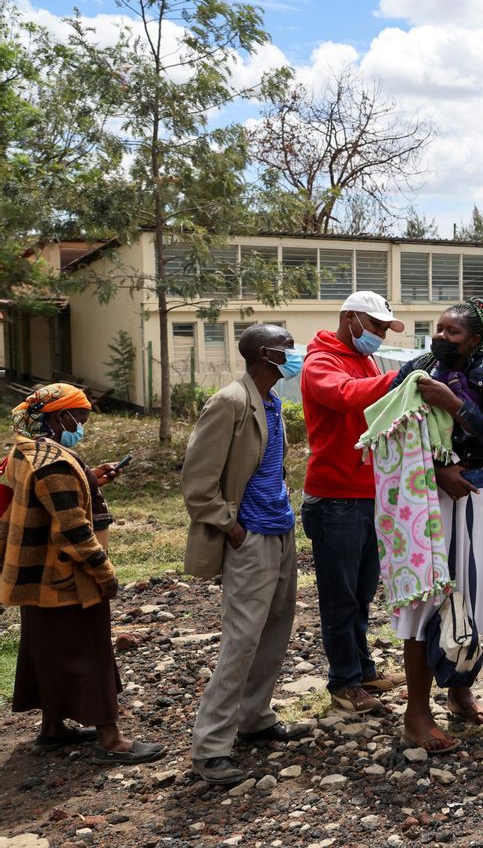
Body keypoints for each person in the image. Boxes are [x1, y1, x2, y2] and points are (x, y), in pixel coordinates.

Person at [387, 298, 483, 750]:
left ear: (475, 339)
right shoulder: (415, 369)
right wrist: (436, 471)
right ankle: (417, 715)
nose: (440, 337)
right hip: (427, 497)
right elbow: (391, 433)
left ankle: (459, 691)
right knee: (427, 599)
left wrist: (455, 404)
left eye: (452, 332)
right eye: (438, 329)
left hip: (481, 492)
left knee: (469, 593)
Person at [3, 384, 165, 765]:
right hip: (64, 577)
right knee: (90, 652)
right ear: (61, 417)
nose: (83, 427)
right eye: (82, 419)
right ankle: (112, 740)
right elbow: (72, 528)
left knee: (44, 648)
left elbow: (46, 500)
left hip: (34, 576)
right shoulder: (54, 463)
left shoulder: (26, 451)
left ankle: (53, 728)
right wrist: (104, 572)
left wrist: (91, 477)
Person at [183, 325, 312, 784]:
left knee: (275, 631)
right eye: (289, 347)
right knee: (241, 640)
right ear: (266, 353)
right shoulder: (230, 402)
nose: (296, 354)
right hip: (250, 536)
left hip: (279, 531)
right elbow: (198, 484)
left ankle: (254, 718)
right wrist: (232, 528)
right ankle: (211, 748)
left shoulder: (271, 401)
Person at [301, 291, 407, 715]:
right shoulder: (320, 362)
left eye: (383, 328)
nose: (380, 335)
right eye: (375, 326)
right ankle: (343, 682)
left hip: (368, 492)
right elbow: (346, 396)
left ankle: (362, 670)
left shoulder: (365, 359)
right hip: (335, 498)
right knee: (340, 596)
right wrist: (399, 378)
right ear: (349, 318)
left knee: (361, 592)